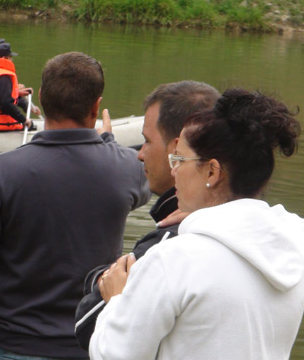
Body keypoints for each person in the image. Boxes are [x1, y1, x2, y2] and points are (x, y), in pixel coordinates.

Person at [89, 89, 304, 360]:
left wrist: (117, 300)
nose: (173, 170)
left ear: (212, 172)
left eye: (179, 160)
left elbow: (112, 355)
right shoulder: (300, 246)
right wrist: (210, 213)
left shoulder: (172, 260)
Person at [0, 51, 151, 360]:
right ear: (96, 106)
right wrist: (107, 142)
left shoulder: (1, 171)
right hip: (90, 344)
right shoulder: (126, 168)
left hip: (13, 345)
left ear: (40, 98)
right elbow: (145, 181)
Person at [74, 80, 220, 350]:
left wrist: (104, 282)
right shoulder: (266, 236)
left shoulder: (171, 240)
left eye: (146, 141)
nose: (140, 154)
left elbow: (86, 324)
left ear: (177, 149)